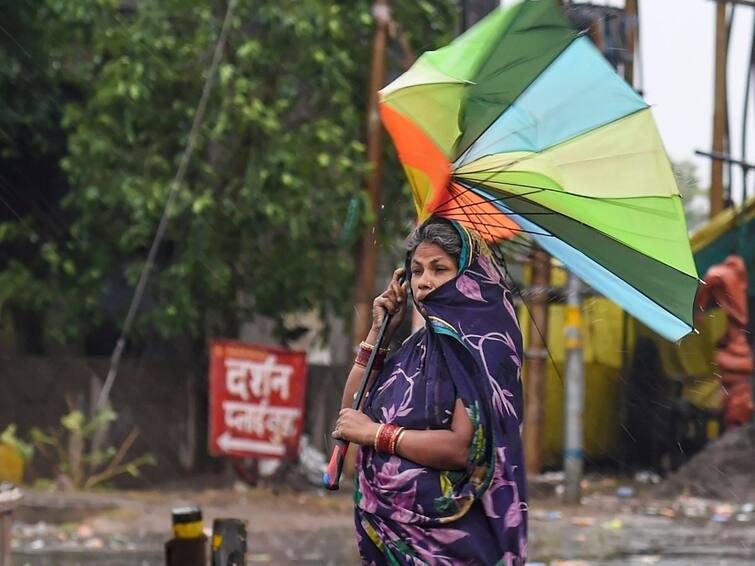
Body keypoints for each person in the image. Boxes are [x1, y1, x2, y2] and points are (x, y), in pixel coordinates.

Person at [333, 217, 527, 565]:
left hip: (453, 542)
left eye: (440, 269)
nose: (424, 282)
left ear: (468, 275)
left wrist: (377, 434)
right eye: (417, 270)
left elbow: (463, 448)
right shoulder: (419, 344)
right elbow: (351, 416)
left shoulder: (484, 347)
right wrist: (380, 333)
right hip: (390, 532)